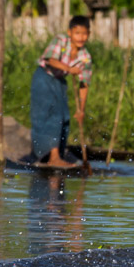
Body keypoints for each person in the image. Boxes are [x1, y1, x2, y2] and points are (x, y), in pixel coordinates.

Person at [30, 15, 92, 167]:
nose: (81, 37)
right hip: (44, 77)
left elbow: (84, 84)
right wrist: (69, 69)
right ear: (69, 32)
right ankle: (53, 157)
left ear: (89, 35)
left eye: (84, 33)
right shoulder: (61, 40)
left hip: (59, 81)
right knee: (53, 113)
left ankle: (56, 153)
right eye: (77, 33)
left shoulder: (85, 57)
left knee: (65, 116)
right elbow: (51, 60)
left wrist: (81, 110)